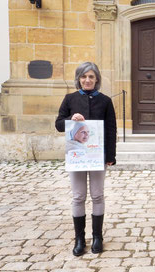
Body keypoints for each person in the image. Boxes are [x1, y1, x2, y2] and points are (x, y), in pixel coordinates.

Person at [55, 62, 117, 256]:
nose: (87, 80)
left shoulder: (105, 101)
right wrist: (70, 120)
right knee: (78, 196)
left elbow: (111, 129)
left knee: (97, 195)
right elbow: (58, 124)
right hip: (77, 157)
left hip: (97, 156)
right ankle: (79, 238)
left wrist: (110, 156)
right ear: (79, 79)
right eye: (84, 77)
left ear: (96, 79)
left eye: (91, 76)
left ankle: (97, 237)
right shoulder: (70, 99)